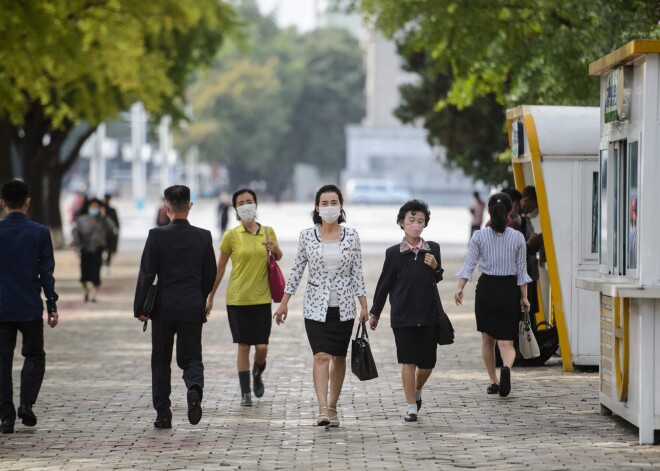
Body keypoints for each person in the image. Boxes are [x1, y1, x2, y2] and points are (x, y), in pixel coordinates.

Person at [274, 184, 368, 428]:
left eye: (333, 202)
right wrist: (284, 303)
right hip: (315, 308)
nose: (329, 207)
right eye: (324, 203)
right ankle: (323, 408)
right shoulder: (307, 236)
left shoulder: (352, 236)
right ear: (317, 207)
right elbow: (296, 271)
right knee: (320, 356)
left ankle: (334, 405)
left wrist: (364, 306)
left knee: (338, 357)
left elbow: (357, 272)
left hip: (345, 308)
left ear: (341, 206)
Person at [134, 185, 216, 429]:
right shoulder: (204, 236)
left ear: (166, 207)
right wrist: (199, 297)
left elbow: (147, 273)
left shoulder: (156, 235)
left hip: (163, 307)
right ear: (190, 206)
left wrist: (140, 307)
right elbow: (209, 275)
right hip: (191, 306)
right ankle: (194, 389)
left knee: (160, 360)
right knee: (191, 357)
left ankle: (163, 414)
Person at [369, 200, 446, 423]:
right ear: (402, 223)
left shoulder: (433, 249)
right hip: (402, 317)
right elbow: (384, 285)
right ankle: (411, 405)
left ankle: (417, 389)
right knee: (408, 361)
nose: (416, 224)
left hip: (430, 315)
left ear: (425, 225)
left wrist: (436, 267)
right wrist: (375, 313)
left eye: (420, 221)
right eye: (411, 220)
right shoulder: (393, 253)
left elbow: (438, 277)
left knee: (427, 365)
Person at [205, 188, 282, 406]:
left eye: (249, 201)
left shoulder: (268, 231)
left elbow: (278, 256)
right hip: (237, 299)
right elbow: (220, 268)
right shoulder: (231, 236)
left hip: (261, 298)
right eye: (241, 203)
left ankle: (258, 371)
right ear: (236, 209)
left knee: (262, 347)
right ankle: (245, 392)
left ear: (256, 204)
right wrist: (210, 296)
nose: (246, 205)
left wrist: (275, 249)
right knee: (243, 346)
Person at [454, 192, 531, 398]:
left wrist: (460, 287)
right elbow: (521, 272)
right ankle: (506, 367)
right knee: (507, 343)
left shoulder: (479, 236)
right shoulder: (518, 237)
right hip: (508, 291)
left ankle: (493, 381)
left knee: (487, 341)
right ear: (510, 211)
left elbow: (469, 266)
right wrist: (524, 297)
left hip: (486, 290)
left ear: (488, 211)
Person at [0, 179, 59, 434]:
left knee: (2, 361)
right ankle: (26, 403)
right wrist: (52, 304)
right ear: (27, 201)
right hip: (29, 307)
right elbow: (46, 272)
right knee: (34, 355)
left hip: (1, 308)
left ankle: (6, 416)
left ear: (2, 203)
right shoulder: (40, 232)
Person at [72, 198, 116, 302]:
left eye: (97, 207)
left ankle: (94, 295)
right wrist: (75, 243)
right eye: (92, 207)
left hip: (97, 249)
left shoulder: (103, 220)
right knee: (84, 274)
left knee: (96, 273)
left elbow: (112, 227)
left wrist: (104, 217)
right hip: (85, 249)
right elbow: (76, 233)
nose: (94, 209)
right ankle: (86, 291)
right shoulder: (82, 220)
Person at [520, 185, 542, 328]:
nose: (536, 210)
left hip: (529, 273)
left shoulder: (525, 219)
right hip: (524, 274)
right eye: (536, 205)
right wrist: (529, 243)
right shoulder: (517, 222)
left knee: (530, 311)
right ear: (527, 200)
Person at [103, 193, 120, 269]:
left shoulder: (112, 210)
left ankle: (107, 262)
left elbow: (116, 222)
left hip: (109, 232)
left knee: (109, 248)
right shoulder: (101, 209)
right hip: (102, 232)